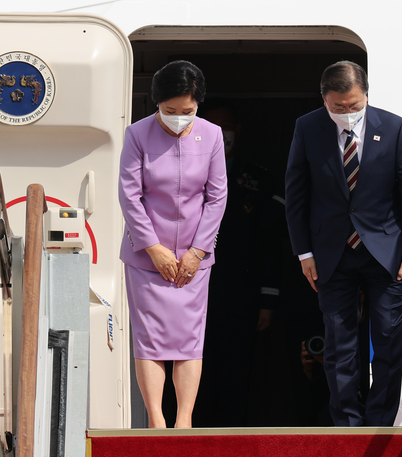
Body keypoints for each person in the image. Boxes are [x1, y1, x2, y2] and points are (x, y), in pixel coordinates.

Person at [284, 60, 402, 426]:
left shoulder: (393, 127)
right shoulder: (307, 127)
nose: (347, 113)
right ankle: (347, 424)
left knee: (389, 339)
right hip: (331, 254)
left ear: (366, 96)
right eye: (338, 107)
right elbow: (296, 195)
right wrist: (304, 252)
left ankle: (379, 423)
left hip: (386, 252)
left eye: (354, 105)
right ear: (324, 99)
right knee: (339, 344)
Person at [118, 60, 227, 428]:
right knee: (150, 341)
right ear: (157, 103)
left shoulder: (212, 135)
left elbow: (217, 197)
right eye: (170, 110)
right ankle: (156, 421)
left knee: (189, 340)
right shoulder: (137, 134)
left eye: (188, 111)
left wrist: (198, 251)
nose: (179, 118)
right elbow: (130, 195)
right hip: (147, 258)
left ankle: (184, 421)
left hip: (194, 260)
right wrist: (153, 247)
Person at [193, 100, 284, 427]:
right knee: (194, 372)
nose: (221, 133)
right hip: (192, 291)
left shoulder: (260, 181)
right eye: (213, 126)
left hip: (241, 293)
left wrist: (267, 299)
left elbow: (272, 244)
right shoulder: (184, 175)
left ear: (238, 130)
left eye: (227, 126)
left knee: (236, 373)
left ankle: (232, 440)